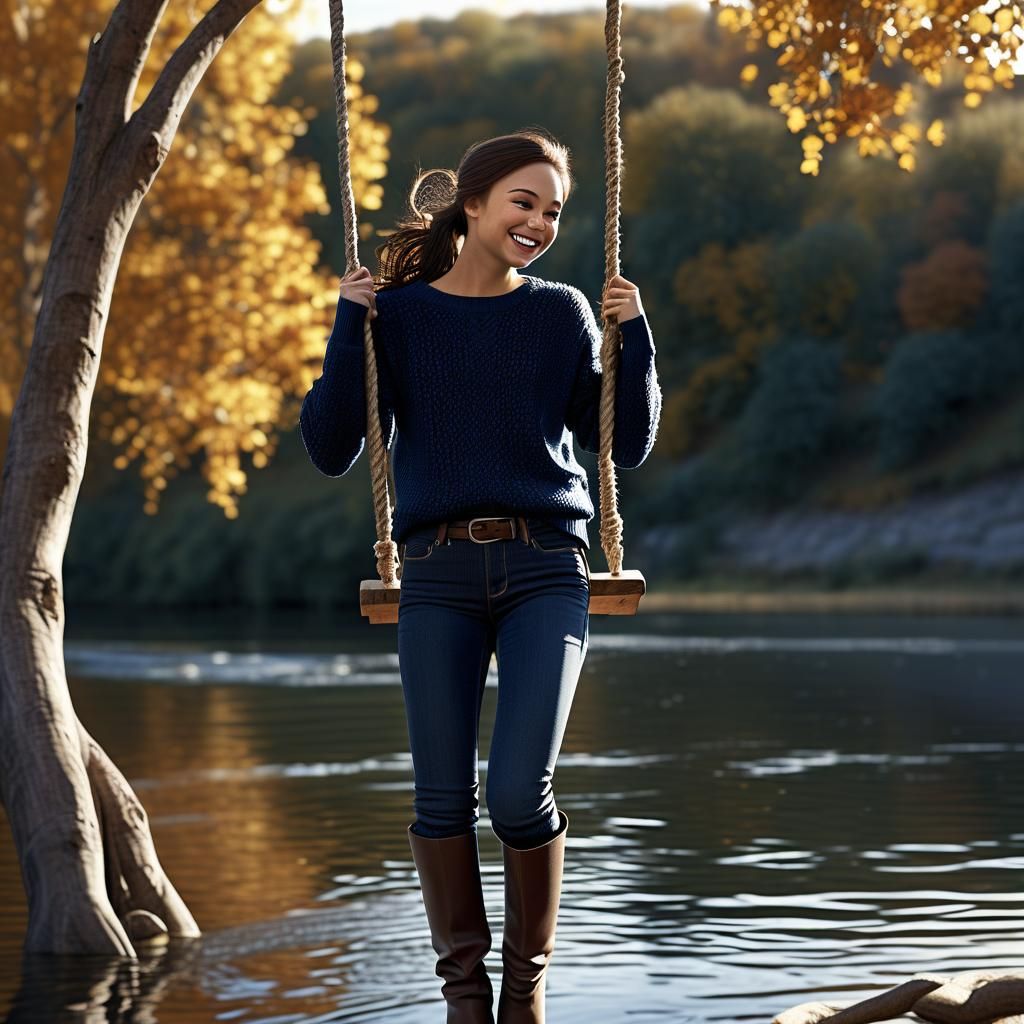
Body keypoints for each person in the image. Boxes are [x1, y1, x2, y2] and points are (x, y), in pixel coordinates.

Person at [299, 128, 662, 1023]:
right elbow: (330, 446)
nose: (538, 222)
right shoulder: (403, 315)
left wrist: (636, 337)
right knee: (438, 799)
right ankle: (463, 998)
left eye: (552, 210)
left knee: (516, 793)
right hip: (435, 572)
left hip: (547, 567)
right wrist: (351, 320)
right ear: (474, 203)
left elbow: (626, 442)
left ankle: (524, 987)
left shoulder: (561, 310)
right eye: (522, 202)